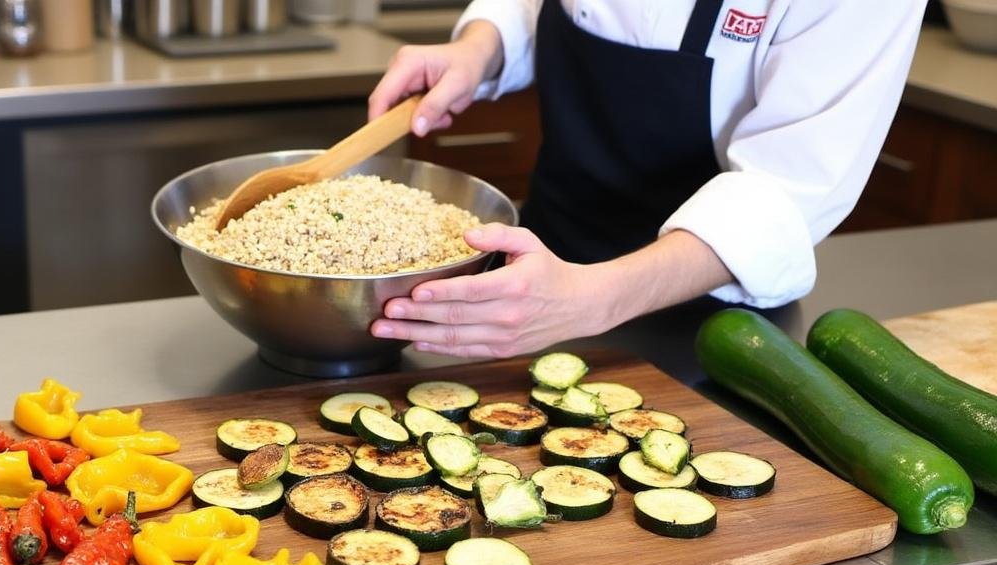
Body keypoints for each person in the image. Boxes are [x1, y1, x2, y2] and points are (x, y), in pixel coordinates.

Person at [367, 0, 926, 358]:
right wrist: (479, 48)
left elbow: (788, 186)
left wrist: (589, 300)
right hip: (529, 280)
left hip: (709, 325)